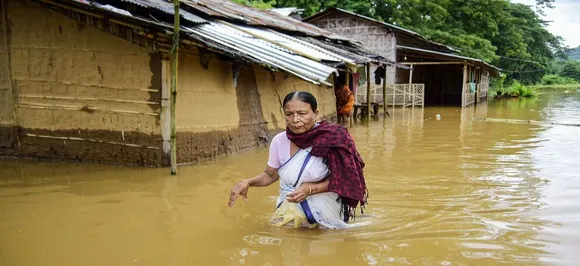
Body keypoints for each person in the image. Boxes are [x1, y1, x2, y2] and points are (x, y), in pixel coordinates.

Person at [228, 91, 368, 229]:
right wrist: (246, 182)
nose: (295, 120)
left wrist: (311, 189)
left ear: (316, 113)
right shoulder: (279, 141)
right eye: (289, 114)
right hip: (288, 203)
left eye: (302, 114)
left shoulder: (333, 139)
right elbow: (270, 175)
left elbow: (347, 179)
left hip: (325, 208)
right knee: (284, 238)